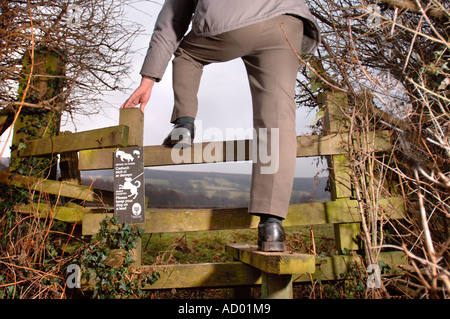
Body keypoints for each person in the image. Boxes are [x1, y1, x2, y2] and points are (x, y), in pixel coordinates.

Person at [121, 0, 320, 251]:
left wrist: (148, 80)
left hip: (231, 19)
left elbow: (170, 24)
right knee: (278, 119)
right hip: (287, 22)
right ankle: (272, 226)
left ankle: (184, 124)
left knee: (187, 54)